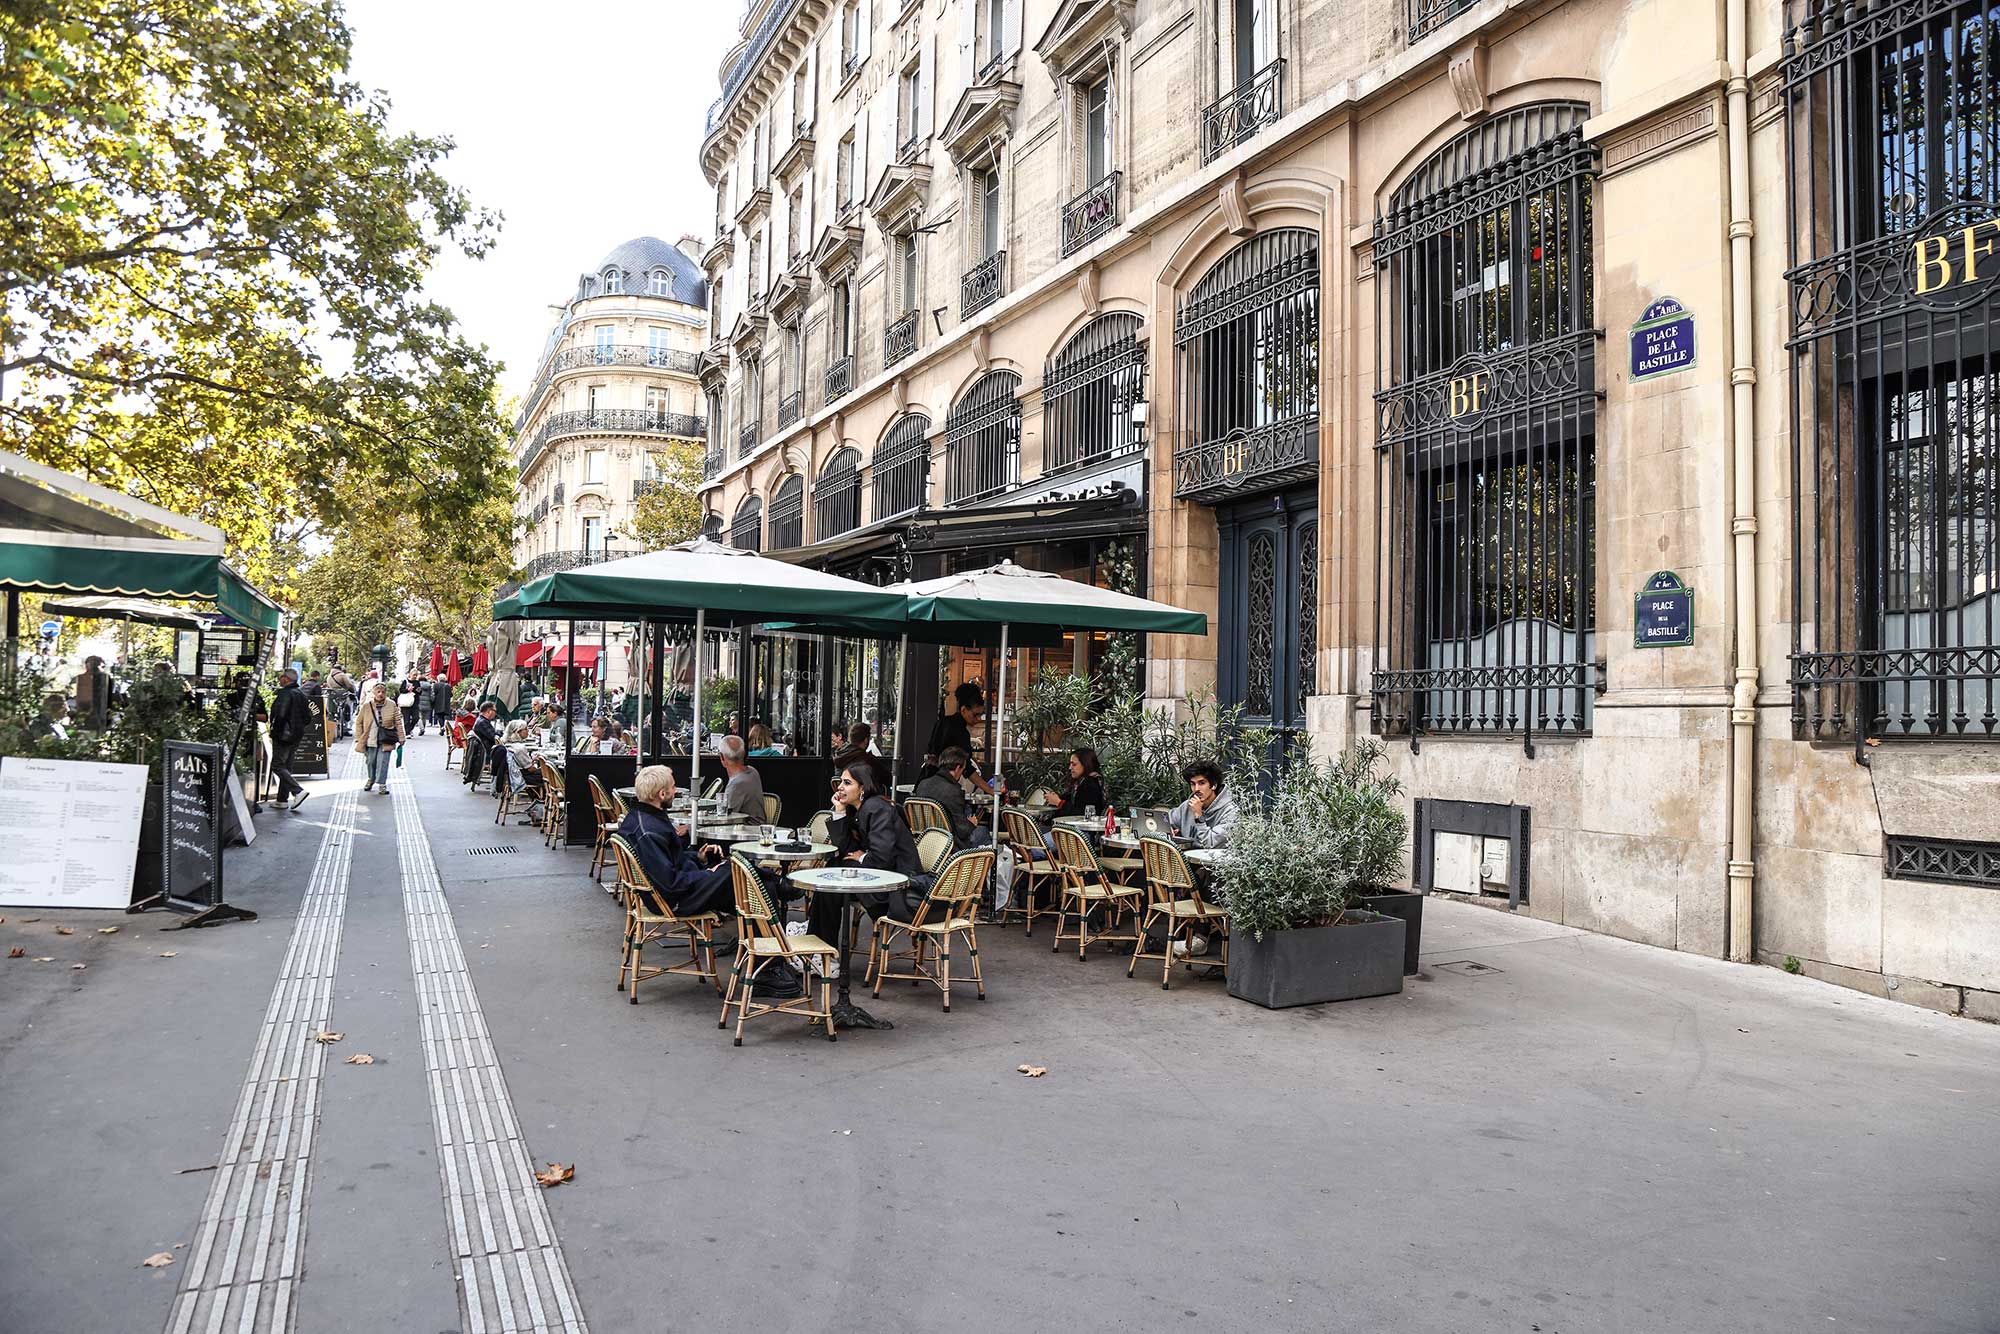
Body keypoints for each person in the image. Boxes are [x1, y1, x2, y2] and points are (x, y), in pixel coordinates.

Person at [810, 762, 928, 959]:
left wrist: (861, 856)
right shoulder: (857, 808)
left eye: (847, 783)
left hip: (894, 887)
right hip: (875, 877)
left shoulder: (877, 808)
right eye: (840, 782)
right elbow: (846, 850)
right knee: (830, 878)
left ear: (862, 787)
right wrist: (838, 811)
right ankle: (819, 946)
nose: (840, 787)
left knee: (832, 880)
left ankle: (822, 949)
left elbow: (882, 859)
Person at [616, 764, 736, 917]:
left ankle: (754, 932)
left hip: (671, 894)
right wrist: (708, 873)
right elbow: (670, 883)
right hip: (672, 901)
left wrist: (699, 858)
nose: (676, 791)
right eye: (673, 787)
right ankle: (760, 933)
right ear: (662, 794)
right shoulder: (649, 832)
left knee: (744, 879)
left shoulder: (640, 817)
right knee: (735, 871)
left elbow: (670, 861)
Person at [914, 746, 991, 849]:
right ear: (958, 768)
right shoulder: (953, 791)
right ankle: (980, 864)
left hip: (925, 841)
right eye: (963, 770)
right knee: (982, 831)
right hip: (949, 845)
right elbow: (963, 831)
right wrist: (971, 823)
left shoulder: (923, 785)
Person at [267, 669, 313, 812]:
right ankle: (282, 799)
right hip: (296, 735)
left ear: (286, 679)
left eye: (281, 677)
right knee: (286, 766)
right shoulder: (301, 694)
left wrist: (274, 730)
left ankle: (297, 791)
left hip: (283, 734)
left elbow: (280, 715)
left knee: (277, 765)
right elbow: (308, 717)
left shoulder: (285, 694)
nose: (279, 679)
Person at [924, 683, 987, 784]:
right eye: (975, 715)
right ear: (963, 710)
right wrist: (990, 790)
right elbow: (968, 770)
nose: (978, 719)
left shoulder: (942, 722)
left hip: (926, 778)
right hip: (943, 784)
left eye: (981, 715)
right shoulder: (960, 732)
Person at [1169, 760, 1239, 850]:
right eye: (1193, 784)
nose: (1196, 789)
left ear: (1213, 785)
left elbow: (1210, 845)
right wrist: (1168, 829)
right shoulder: (1187, 806)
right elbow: (1165, 821)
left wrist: (1199, 817)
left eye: (1202, 783)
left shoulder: (1230, 812)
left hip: (1213, 862)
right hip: (1185, 861)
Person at [352, 679, 405, 794]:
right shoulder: (367, 706)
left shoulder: (391, 704)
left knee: (383, 762)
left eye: (383, 692)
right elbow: (359, 722)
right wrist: (359, 737)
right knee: (371, 761)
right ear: (374, 693)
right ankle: (371, 779)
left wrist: (401, 737)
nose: (381, 694)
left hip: (386, 738)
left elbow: (398, 722)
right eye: (378, 692)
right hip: (370, 739)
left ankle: (382, 784)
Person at [716, 734, 766, 821]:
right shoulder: (752, 771)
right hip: (756, 827)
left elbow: (724, 817)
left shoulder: (736, 784)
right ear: (743, 754)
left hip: (746, 830)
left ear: (722, 757)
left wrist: (690, 827)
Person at [831, 721, 891, 792]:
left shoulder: (840, 755)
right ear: (866, 740)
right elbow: (888, 779)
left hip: (843, 796)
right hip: (862, 798)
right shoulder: (867, 759)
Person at [1054, 747, 1108, 818]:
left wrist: (1059, 802)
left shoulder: (1091, 784)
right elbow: (1067, 798)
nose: (1070, 768)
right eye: (1070, 764)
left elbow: (1082, 814)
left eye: (1074, 764)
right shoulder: (1079, 783)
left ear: (1085, 765)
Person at [464, 702, 501, 785]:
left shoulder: (481, 720)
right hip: (487, 752)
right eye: (495, 711)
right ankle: (501, 783)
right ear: (489, 711)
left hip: (485, 749)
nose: (496, 713)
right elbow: (493, 736)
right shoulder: (483, 723)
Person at [72, 655, 114, 729]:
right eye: (90, 663)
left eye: (95, 664)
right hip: (85, 710)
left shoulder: (105, 678)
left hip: (101, 711)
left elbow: (109, 695)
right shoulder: (81, 678)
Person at [399, 670, 425, 736]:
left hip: (414, 703)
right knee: (406, 719)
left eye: (416, 675)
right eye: (414, 675)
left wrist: (416, 690)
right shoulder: (405, 681)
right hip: (405, 703)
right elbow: (401, 690)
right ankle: (407, 733)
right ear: (410, 674)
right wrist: (408, 690)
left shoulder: (417, 682)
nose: (415, 676)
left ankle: (410, 729)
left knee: (416, 718)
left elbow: (420, 692)